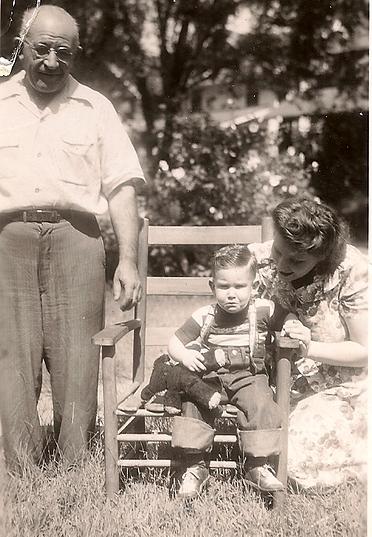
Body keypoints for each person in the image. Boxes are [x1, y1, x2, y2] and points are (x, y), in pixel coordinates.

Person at [0, 6, 145, 471]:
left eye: (63, 51)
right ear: (22, 47)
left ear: (75, 54)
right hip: (9, 237)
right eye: (41, 48)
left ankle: (74, 468)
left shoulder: (96, 108)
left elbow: (121, 185)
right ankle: (22, 469)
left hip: (76, 237)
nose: (50, 60)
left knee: (78, 356)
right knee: (11, 354)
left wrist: (127, 261)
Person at [249, 197, 368, 490]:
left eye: (297, 260)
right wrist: (284, 315)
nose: (281, 264)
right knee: (274, 450)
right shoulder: (260, 261)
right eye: (279, 250)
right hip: (278, 385)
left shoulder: (352, 271)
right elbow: (233, 301)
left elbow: (364, 351)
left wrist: (309, 348)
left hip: (341, 390)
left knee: (292, 459)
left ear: (323, 258)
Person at [167, 244, 284, 499]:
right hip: (211, 378)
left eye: (240, 287)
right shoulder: (204, 315)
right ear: (212, 286)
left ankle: (257, 465)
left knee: (262, 403)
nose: (232, 294)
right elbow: (174, 343)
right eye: (224, 287)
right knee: (193, 401)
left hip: (249, 376)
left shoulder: (265, 309)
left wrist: (294, 324)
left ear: (253, 286)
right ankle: (195, 467)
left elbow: (289, 319)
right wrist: (186, 356)